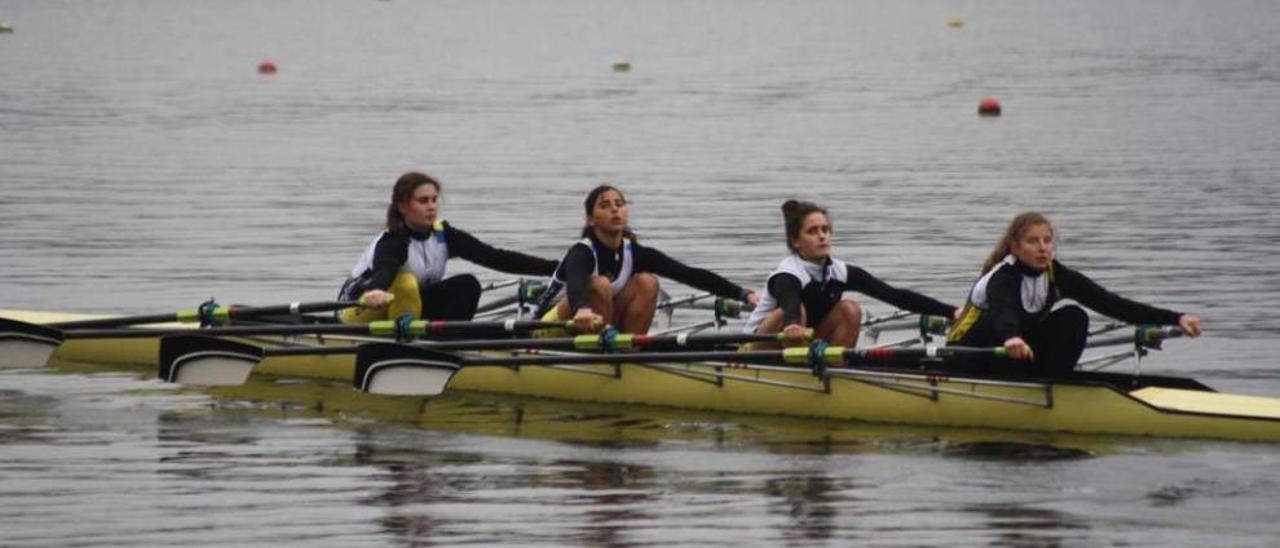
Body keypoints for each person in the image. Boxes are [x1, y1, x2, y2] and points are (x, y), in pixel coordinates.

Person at [946, 211, 1202, 376]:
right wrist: (1011, 337)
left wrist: (1175, 318)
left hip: (1013, 353)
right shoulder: (1002, 277)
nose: (1043, 248)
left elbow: (1113, 305)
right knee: (1000, 322)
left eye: (1047, 241)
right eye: (1033, 241)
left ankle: (1054, 383)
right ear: (1015, 246)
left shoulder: (1057, 276)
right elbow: (1004, 314)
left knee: (1074, 317)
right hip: (968, 357)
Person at [534, 184, 759, 334]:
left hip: (596, 326)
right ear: (591, 220)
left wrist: (743, 294)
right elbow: (574, 283)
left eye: (619, 204)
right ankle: (598, 353)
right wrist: (582, 308)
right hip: (549, 327)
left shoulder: (635, 253)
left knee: (647, 282)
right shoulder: (582, 252)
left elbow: (687, 273)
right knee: (599, 284)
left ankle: (629, 352)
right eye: (605, 206)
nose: (615, 210)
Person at [338, 171, 557, 323]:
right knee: (405, 282)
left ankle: (450, 341)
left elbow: (495, 257)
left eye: (434, 200)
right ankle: (406, 344)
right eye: (423, 201)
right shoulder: (393, 242)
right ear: (403, 206)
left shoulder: (443, 235)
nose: (432, 207)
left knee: (468, 284)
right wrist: (376, 290)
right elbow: (384, 270)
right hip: (360, 308)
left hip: (407, 307)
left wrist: (557, 268)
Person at [743, 199, 959, 348]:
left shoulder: (840, 272)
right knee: (797, 312)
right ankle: (794, 372)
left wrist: (952, 312)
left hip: (803, 340)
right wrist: (791, 325)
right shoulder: (788, 274)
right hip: (758, 347)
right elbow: (790, 304)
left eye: (825, 230)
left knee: (850, 308)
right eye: (812, 231)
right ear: (796, 242)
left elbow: (894, 295)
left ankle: (836, 368)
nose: (822, 237)